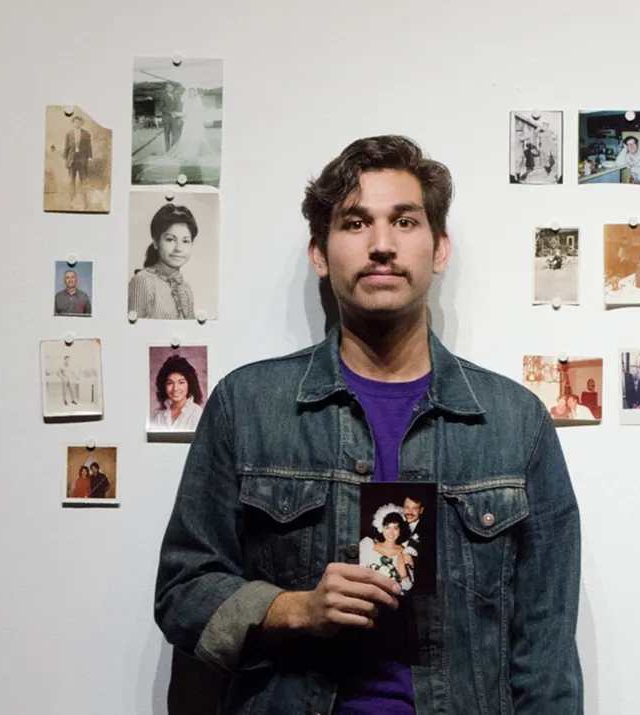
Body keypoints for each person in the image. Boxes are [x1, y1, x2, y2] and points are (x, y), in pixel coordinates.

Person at [153, 135, 582, 715]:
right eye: (355, 224)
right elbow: (182, 592)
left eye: (404, 221)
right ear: (320, 254)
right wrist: (296, 609)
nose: (382, 246)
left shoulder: (513, 422)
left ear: (439, 249)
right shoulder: (246, 405)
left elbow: (546, 652)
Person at [128, 204, 197, 320]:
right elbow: (132, 333)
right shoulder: (143, 281)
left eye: (186, 241)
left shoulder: (186, 288)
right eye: (170, 239)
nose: (179, 248)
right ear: (156, 242)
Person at [359, 505, 414, 592]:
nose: (391, 533)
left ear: (400, 531)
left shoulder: (405, 553)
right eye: (387, 527)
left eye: (395, 528)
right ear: (382, 528)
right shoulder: (368, 546)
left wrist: (404, 576)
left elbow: (407, 587)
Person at [150, 354, 205, 432]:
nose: (175, 388)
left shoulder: (198, 414)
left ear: (190, 384)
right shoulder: (158, 415)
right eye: (170, 383)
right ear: (163, 386)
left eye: (181, 382)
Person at [64, 115, 92, 202]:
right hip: (72, 160)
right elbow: (66, 147)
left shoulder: (86, 133)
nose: (77, 124)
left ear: (82, 124)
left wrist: (90, 158)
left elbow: (89, 146)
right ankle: (72, 200)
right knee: (71, 181)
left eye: (79, 122)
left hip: (82, 160)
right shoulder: (69, 134)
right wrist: (66, 159)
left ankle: (84, 200)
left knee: (83, 181)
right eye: (76, 122)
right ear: (73, 123)